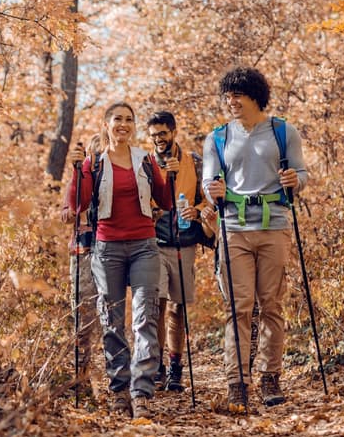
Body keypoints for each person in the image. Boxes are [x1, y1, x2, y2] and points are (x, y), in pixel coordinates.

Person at [202, 66, 308, 411]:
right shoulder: (217, 138)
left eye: (237, 95)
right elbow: (208, 181)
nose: (231, 101)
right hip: (233, 229)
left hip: (274, 226)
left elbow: (302, 173)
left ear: (255, 96)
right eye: (227, 95)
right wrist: (212, 189)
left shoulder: (282, 132)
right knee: (238, 307)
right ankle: (237, 382)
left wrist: (295, 179)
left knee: (272, 305)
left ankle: (270, 377)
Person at [67, 102, 177, 419]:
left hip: (144, 245)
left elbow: (166, 201)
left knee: (145, 319)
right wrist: (77, 171)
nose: (124, 125)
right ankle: (119, 392)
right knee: (111, 321)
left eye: (129, 120)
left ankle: (141, 392)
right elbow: (79, 204)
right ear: (106, 124)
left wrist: (170, 176)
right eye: (118, 119)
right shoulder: (94, 162)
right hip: (108, 248)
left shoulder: (144, 159)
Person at [146, 111, 207, 393]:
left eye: (163, 133)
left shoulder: (193, 162)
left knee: (177, 307)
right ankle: (156, 366)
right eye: (154, 134)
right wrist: (152, 211)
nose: (159, 139)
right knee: (156, 303)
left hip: (184, 242)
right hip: (155, 241)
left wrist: (198, 211)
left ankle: (175, 367)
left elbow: (208, 198)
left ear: (173, 132)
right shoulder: (145, 163)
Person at [60, 135, 103, 400]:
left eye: (101, 154)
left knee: (108, 315)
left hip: (112, 249)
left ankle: (110, 375)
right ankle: (82, 373)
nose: (97, 160)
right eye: (94, 155)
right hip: (83, 251)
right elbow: (67, 211)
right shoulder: (79, 177)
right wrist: (71, 213)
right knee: (84, 314)